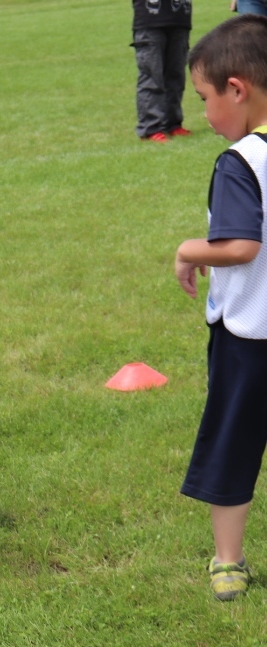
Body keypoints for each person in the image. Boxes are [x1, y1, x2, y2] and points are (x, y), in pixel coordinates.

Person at [174, 15, 267, 600]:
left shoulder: (241, 161)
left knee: (234, 443)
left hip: (247, 337)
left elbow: (240, 244)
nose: (204, 115)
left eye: (204, 99)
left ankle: (228, 563)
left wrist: (187, 248)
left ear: (237, 89)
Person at [132, 0, 193, 142]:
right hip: (150, 21)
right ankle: (151, 128)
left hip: (180, 18)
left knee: (176, 76)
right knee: (152, 77)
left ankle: (172, 123)